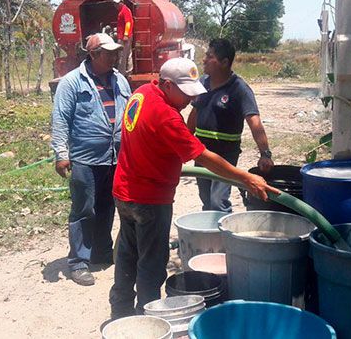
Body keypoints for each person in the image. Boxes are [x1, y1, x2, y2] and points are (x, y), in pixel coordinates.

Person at [109, 57, 279, 318]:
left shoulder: (141, 94)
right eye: (185, 92)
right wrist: (245, 177)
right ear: (166, 85)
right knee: (152, 265)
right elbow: (204, 157)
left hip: (125, 192)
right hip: (151, 200)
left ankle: (120, 315)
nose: (190, 99)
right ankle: (148, 320)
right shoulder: (166, 116)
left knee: (127, 255)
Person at [51, 33, 131, 286]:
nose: (115, 57)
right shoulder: (72, 82)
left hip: (113, 157)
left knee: (107, 206)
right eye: (109, 53)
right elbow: (61, 119)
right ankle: (78, 262)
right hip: (85, 158)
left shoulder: (120, 80)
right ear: (94, 55)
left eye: (116, 52)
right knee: (84, 209)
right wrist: (61, 155)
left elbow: (129, 115)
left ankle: (101, 251)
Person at [187, 38, 274, 213]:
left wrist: (265, 153)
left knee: (218, 200)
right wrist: (184, 141)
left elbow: (254, 122)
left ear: (224, 62)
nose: (204, 60)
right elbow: (194, 113)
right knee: (205, 200)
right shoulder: (203, 82)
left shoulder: (239, 88)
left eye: (209, 56)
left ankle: (224, 238)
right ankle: (209, 236)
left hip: (225, 154)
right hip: (202, 152)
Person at [113, 0, 134, 76]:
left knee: (122, 55)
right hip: (125, 36)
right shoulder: (123, 10)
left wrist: (125, 35)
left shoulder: (124, 10)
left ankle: (121, 73)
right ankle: (129, 71)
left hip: (124, 37)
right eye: (115, 4)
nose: (116, 5)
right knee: (128, 54)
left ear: (122, 2)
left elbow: (128, 23)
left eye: (117, 4)